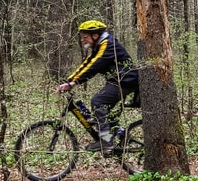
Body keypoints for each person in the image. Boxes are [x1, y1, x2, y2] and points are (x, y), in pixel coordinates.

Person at [57, 20, 139, 155]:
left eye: (85, 37)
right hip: (118, 80)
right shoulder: (100, 45)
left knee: (98, 101)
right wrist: (70, 80)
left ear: (95, 35)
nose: (83, 40)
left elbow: (95, 65)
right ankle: (120, 135)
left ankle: (106, 142)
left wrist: (73, 83)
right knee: (104, 112)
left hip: (126, 81)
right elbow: (87, 63)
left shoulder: (108, 45)